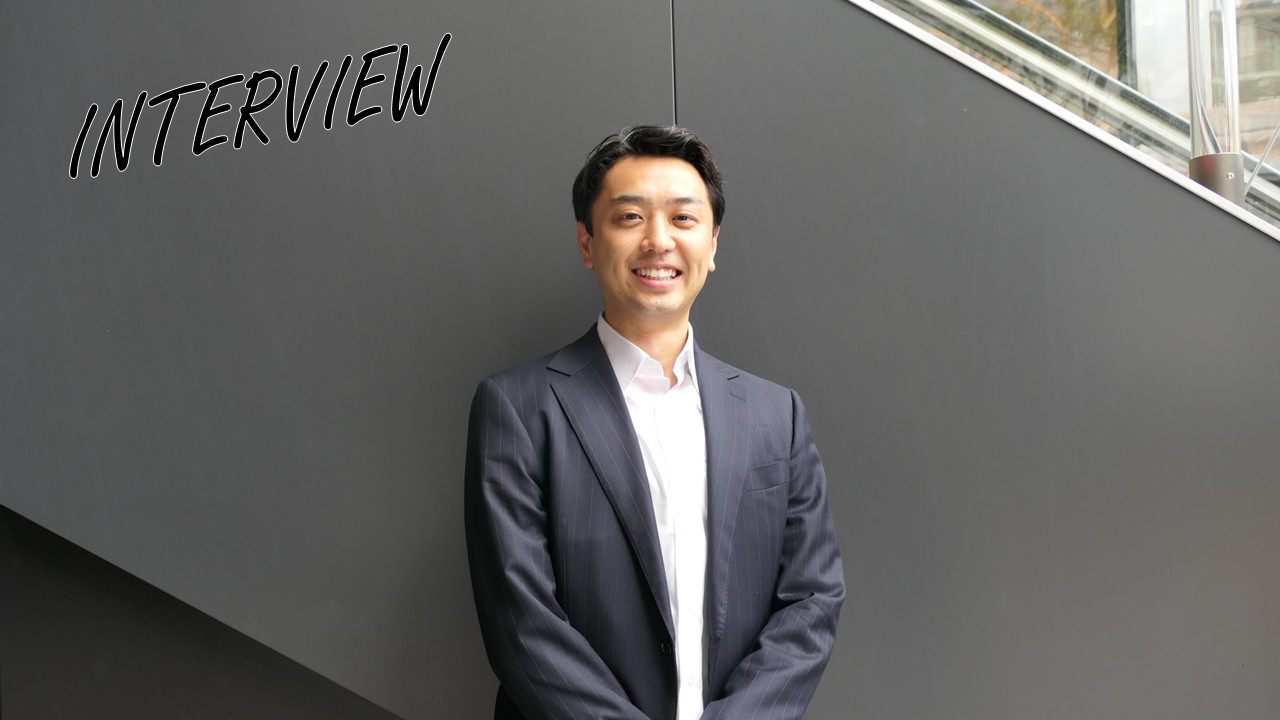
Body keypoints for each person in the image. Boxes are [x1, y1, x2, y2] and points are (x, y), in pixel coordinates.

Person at [464, 125, 844, 720]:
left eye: (683, 219)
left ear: (712, 245)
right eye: (630, 217)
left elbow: (811, 600)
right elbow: (522, 623)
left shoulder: (778, 416)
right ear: (588, 243)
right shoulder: (516, 408)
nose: (659, 241)